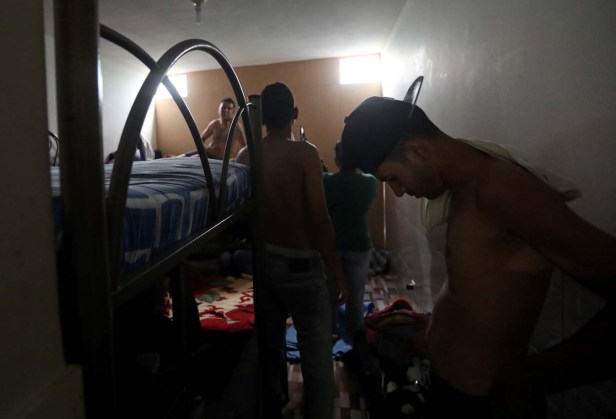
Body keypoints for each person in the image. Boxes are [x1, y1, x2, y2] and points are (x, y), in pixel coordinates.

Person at [339, 96, 616, 418]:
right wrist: (433, 331)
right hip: (454, 388)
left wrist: (536, 376)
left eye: (392, 178)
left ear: (417, 150)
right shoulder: (465, 188)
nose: (398, 192)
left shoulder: (501, 189)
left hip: (484, 402)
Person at [236, 82, 349, 419]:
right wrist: (337, 271)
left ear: (262, 117)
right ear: (294, 114)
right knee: (315, 355)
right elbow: (319, 216)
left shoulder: (246, 155)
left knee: (269, 349)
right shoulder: (306, 153)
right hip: (302, 266)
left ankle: (272, 408)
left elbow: (245, 216)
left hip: (265, 263)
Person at [323, 141, 378, 347]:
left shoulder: (325, 181)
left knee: (329, 290)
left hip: (332, 245)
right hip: (359, 245)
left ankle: (330, 330)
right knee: (356, 292)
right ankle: (356, 331)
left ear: (337, 159)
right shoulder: (369, 182)